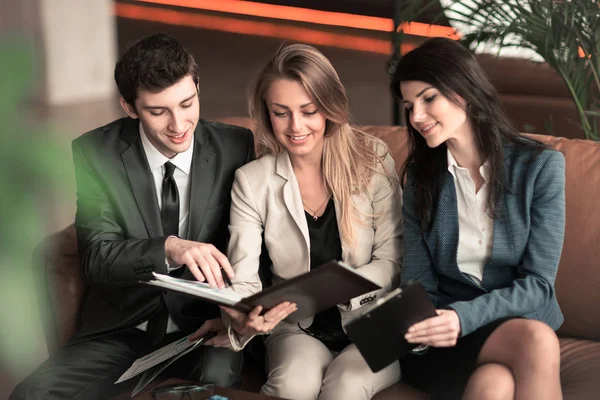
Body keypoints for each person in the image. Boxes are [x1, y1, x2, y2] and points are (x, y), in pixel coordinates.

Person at [10, 33, 254, 400]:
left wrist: (233, 319)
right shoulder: (96, 152)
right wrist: (169, 248)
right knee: (32, 393)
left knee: (212, 389)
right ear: (129, 107)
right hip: (123, 328)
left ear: (198, 86)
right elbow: (96, 257)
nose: (178, 124)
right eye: (158, 111)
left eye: (187, 103)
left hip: (205, 329)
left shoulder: (236, 146)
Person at [208, 43, 403, 400]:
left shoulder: (372, 158)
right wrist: (246, 317)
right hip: (297, 328)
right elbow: (244, 277)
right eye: (281, 113)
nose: (296, 127)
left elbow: (392, 258)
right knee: (291, 386)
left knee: (345, 385)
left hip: (376, 320)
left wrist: (341, 288)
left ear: (330, 107)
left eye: (309, 111)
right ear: (267, 114)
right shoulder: (253, 181)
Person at [392, 37, 565, 400]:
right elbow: (418, 286)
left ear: (464, 91)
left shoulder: (539, 168)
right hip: (445, 338)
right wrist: (440, 323)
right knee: (535, 342)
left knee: (495, 384)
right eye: (409, 106)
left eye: (428, 98)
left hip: (513, 326)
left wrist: (464, 316)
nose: (416, 117)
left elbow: (538, 284)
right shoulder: (420, 182)